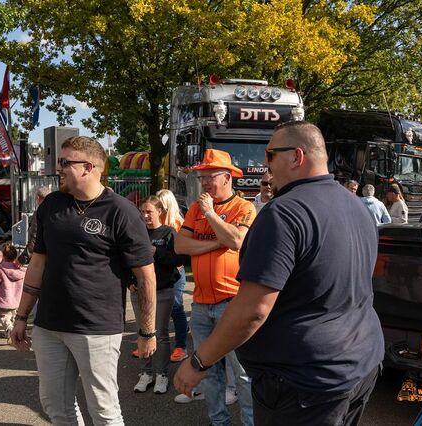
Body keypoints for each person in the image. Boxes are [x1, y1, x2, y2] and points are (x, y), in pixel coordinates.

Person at [174, 121, 384, 426]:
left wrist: (198, 361)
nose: (265, 164)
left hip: (304, 381)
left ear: (296, 157)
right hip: (359, 364)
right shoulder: (356, 205)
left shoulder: (282, 213)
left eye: (270, 155)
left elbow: (253, 311)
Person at [10, 136, 157, 426]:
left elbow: (146, 276)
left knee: (104, 410)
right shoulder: (52, 204)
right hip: (49, 325)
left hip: (96, 328)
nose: (59, 169)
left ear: (89, 167)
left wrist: (147, 331)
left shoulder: (121, 211)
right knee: (56, 406)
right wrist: (21, 316)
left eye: (65, 163)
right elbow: (38, 263)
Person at [174, 148, 255, 426]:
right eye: (202, 178)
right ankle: (219, 422)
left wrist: (211, 215)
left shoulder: (243, 207)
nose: (205, 183)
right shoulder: (195, 208)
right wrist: (214, 242)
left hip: (231, 303)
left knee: (241, 371)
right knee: (207, 371)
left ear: (228, 177)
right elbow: (180, 245)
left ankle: (249, 423)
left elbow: (236, 241)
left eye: (211, 177)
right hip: (200, 304)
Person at [131, 196, 185, 394]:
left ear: (159, 212)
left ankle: (161, 375)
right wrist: (129, 282)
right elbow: (126, 258)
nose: (145, 215)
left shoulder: (169, 233)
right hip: (139, 292)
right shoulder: (137, 232)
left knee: (160, 334)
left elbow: (180, 259)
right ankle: (145, 373)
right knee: (142, 333)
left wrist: (156, 252)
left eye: (149, 212)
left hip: (162, 291)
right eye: (142, 212)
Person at [155, 189, 188, 363]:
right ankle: (151, 342)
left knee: (175, 308)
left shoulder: (178, 224)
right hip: (158, 272)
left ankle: (181, 345)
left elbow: (180, 254)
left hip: (175, 272)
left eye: (160, 204)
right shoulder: (155, 222)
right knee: (155, 309)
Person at [0, 241, 25, 338]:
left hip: (4, 299)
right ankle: (14, 331)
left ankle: (9, 330)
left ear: (3, 257)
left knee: (4, 317)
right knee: (14, 316)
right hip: (18, 300)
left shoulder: (1, 269)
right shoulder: (21, 270)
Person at [17, 186, 51, 265]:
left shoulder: (40, 213)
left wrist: (22, 258)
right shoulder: (57, 212)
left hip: (42, 258)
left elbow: (35, 238)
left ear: (38, 198)